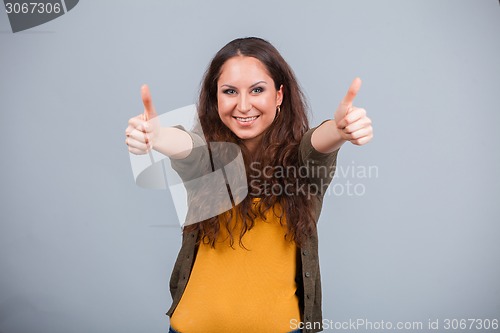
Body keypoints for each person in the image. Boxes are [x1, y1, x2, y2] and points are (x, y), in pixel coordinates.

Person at [125, 37, 373, 333]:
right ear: (216, 98)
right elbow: (190, 148)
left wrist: (340, 130)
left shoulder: (302, 165)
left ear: (279, 95)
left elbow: (317, 144)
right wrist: (158, 137)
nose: (243, 105)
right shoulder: (208, 160)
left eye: (257, 90)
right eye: (230, 91)